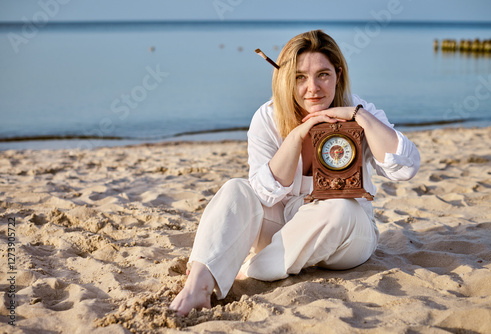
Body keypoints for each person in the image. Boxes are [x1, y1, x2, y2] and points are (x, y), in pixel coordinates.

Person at [169, 30, 420, 316]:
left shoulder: (360, 110)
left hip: (346, 236)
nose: (312, 88)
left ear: (338, 74)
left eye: (323, 74)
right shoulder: (267, 117)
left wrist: (359, 117)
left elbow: (407, 167)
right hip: (285, 229)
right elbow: (263, 192)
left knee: (340, 209)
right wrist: (297, 136)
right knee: (236, 188)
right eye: (300, 77)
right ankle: (197, 284)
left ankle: (252, 269)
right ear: (286, 79)